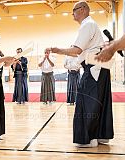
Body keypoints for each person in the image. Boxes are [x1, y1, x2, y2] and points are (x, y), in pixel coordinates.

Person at [47, 1, 114, 147]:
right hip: (99, 67)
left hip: (94, 67)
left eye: (74, 10)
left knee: (87, 101)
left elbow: (77, 50)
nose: (73, 14)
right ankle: (101, 135)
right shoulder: (91, 25)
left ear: (83, 9)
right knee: (100, 101)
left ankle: (88, 138)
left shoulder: (87, 24)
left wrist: (57, 50)